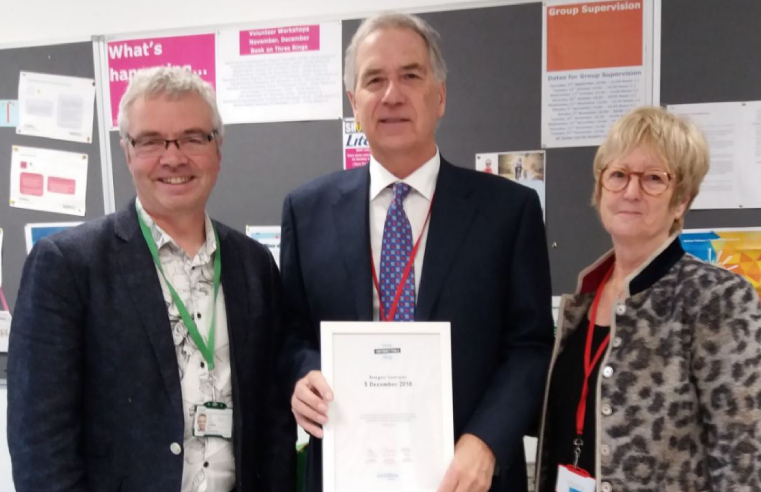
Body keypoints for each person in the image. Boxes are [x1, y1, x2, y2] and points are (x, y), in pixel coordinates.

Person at [279, 12, 553, 492]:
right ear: (354, 102)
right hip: (350, 470)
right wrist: (302, 377)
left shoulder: (508, 211)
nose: (392, 95)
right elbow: (292, 335)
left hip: (469, 476)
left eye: (410, 75)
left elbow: (530, 347)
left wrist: (486, 440)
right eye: (374, 80)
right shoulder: (307, 211)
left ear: (440, 95)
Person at [7, 67, 295, 492]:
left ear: (218, 149)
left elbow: (272, 424)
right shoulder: (67, 266)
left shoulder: (254, 267)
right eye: (151, 141)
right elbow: (40, 442)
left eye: (193, 137)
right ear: (127, 151)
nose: (173, 157)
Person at [535, 106, 761, 491]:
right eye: (619, 175)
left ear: (681, 200)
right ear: (600, 187)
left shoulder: (718, 299)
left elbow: (743, 458)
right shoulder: (584, 300)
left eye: (654, 178)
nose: (631, 191)